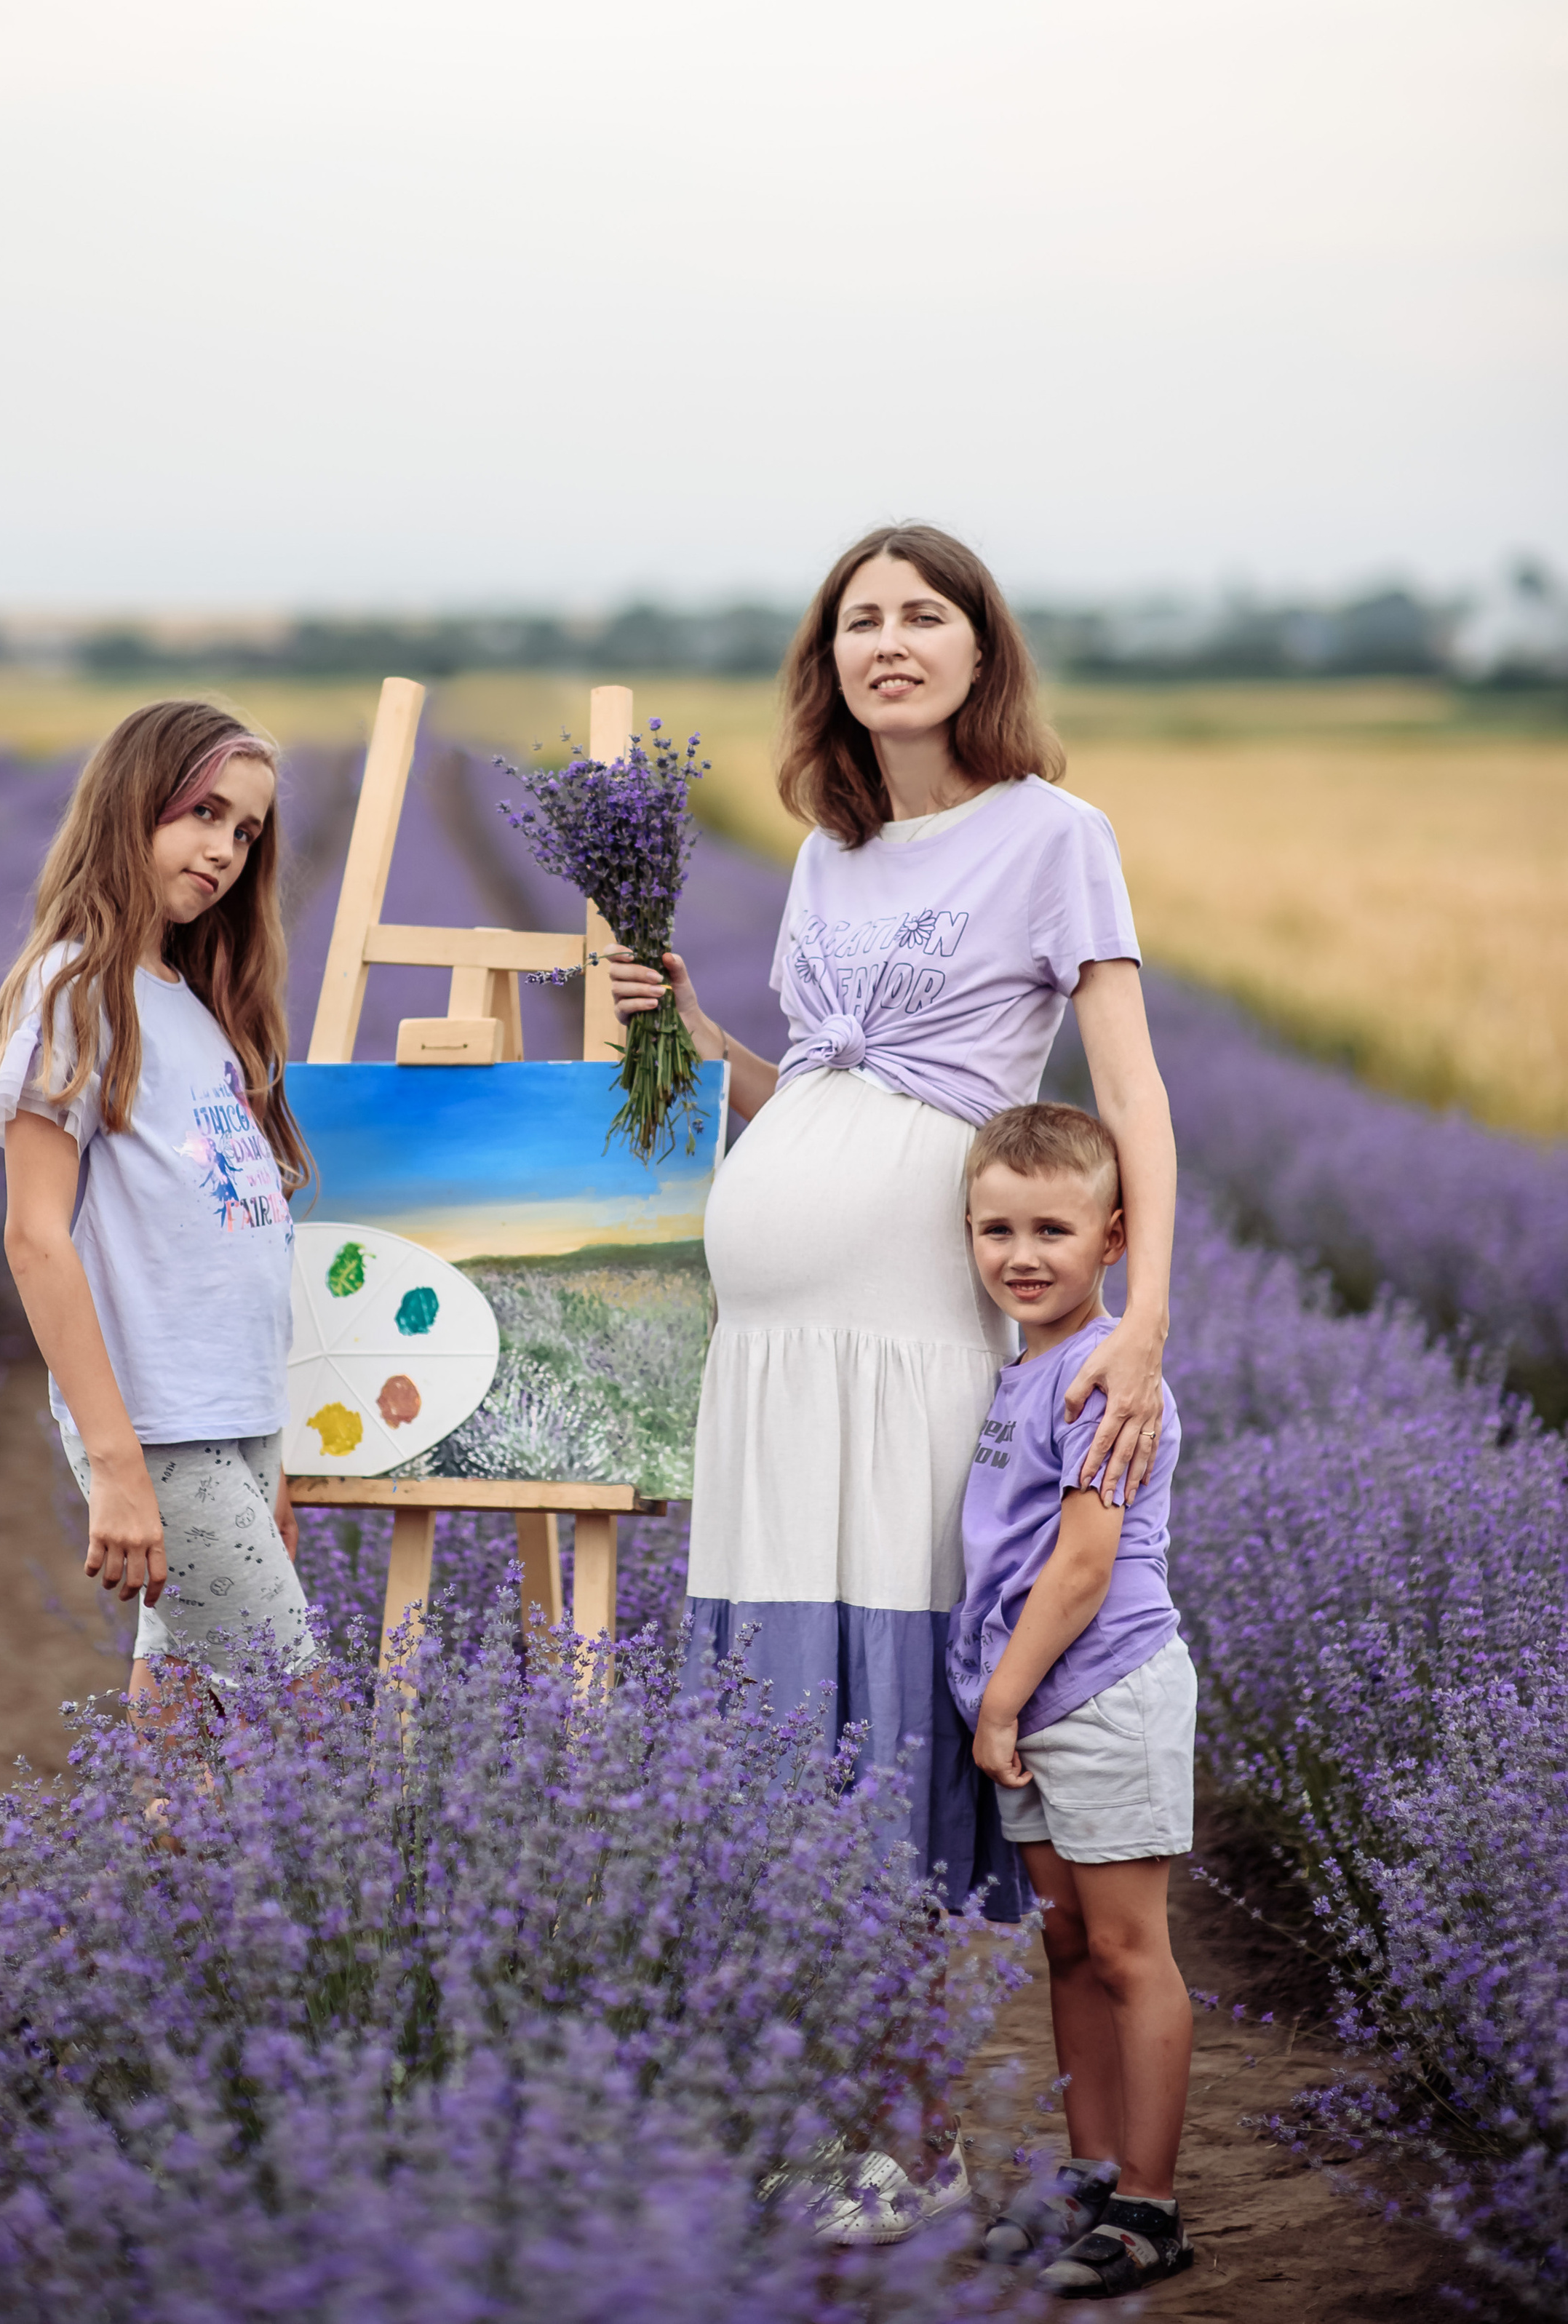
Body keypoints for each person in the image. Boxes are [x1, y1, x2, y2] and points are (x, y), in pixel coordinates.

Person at [606, 520, 1174, 2235]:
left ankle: (912, 2141)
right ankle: (827, 2126)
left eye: (922, 613)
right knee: (787, 1749)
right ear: (827, 663)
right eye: (858, 619)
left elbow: (1128, 1098)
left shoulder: (1053, 836)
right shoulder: (823, 855)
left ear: (980, 649)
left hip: (909, 1359)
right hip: (770, 1370)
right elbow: (823, 1104)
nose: (888, 640)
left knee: (891, 1746)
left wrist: (1140, 1321)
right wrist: (696, 1034)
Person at [0, 698, 314, 1699]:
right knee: (301, 1717)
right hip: (159, 1427)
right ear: (132, 804)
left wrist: (267, 1453)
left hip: (227, 1417)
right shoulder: (78, 990)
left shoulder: (194, 1005)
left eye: (246, 831)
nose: (225, 849)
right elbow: (35, 1237)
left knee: (186, 1709)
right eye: (203, 812)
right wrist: (116, 1463)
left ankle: (158, 1859)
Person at [953, 1099, 1195, 2297]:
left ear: (1112, 1239)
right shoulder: (1021, 1367)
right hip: (1043, 1698)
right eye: (994, 1227)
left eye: (1053, 1226)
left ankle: (1151, 2203)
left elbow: (1084, 1564)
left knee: (1126, 1946)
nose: (1021, 1253)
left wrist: (999, 1702)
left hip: (1099, 1689)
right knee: (1064, 1945)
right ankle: (1091, 2169)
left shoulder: (1102, 1376)